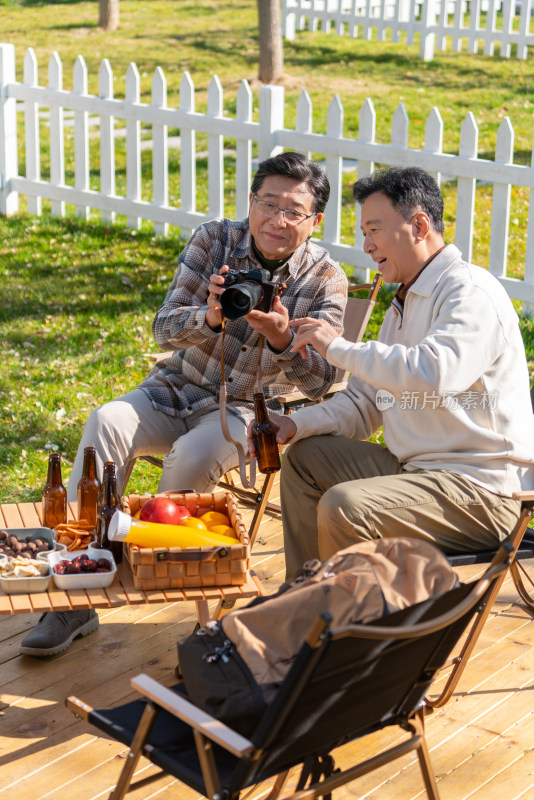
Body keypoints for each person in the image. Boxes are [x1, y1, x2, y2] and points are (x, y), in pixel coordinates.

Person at [20, 151, 348, 656]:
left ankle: (154, 570)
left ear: (315, 221)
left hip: (244, 408)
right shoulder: (214, 239)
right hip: (174, 386)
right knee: (106, 421)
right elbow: (163, 328)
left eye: (294, 211)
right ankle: (74, 600)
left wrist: (284, 342)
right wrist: (210, 317)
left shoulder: (325, 279)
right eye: (268, 203)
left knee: (191, 459)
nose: (277, 221)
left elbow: (325, 382)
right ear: (251, 202)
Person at [248, 166, 534, 581]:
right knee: (306, 460)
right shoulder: (405, 303)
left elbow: (434, 375)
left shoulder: (469, 292)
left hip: (485, 492)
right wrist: (293, 424)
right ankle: (305, 602)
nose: (366, 245)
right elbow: (365, 403)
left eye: (374, 230)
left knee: (345, 505)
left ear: (419, 225)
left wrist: (338, 347)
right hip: (418, 475)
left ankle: (346, 631)